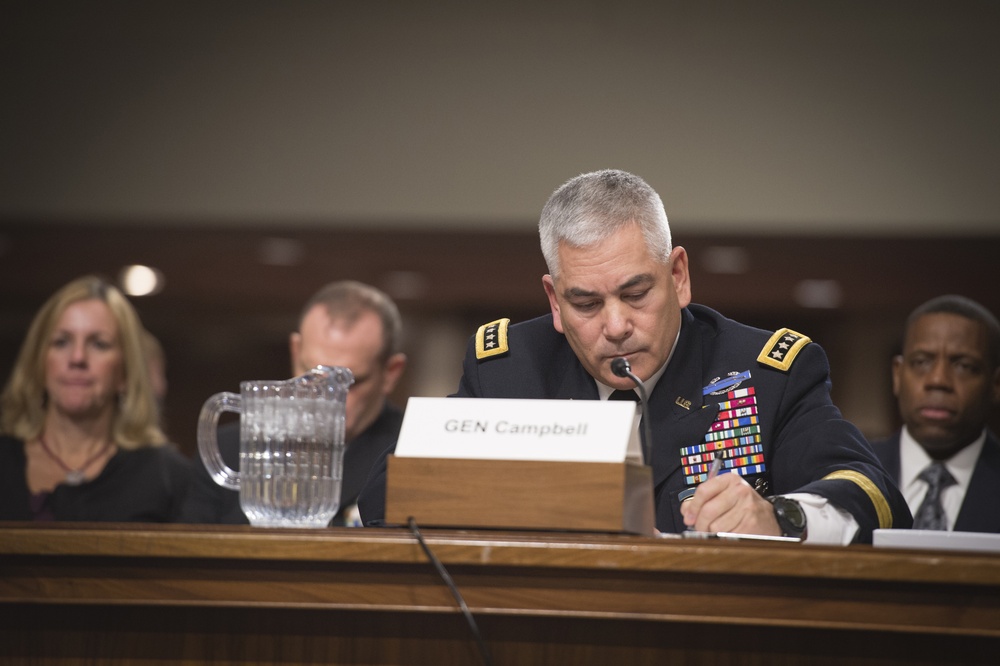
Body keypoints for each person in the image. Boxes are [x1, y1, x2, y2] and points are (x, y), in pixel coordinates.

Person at [359, 169, 910, 543]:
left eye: (636, 293)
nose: (616, 326)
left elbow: (878, 498)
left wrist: (780, 516)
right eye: (586, 303)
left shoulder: (767, 374)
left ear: (678, 276)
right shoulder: (512, 367)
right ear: (554, 301)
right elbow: (382, 496)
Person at [182, 280, 407, 526]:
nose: (326, 397)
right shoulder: (230, 448)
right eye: (312, 375)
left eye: (352, 383)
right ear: (295, 350)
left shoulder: (411, 452)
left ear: (391, 373)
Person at [0, 275, 197, 522]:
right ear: (38, 362)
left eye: (99, 344)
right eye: (61, 342)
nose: (78, 357)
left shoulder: (169, 477)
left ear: (125, 372)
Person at [870, 295, 1000, 532]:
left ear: (995, 384)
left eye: (964, 366)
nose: (938, 380)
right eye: (921, 362)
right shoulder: (850, 474)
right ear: (897, 375)